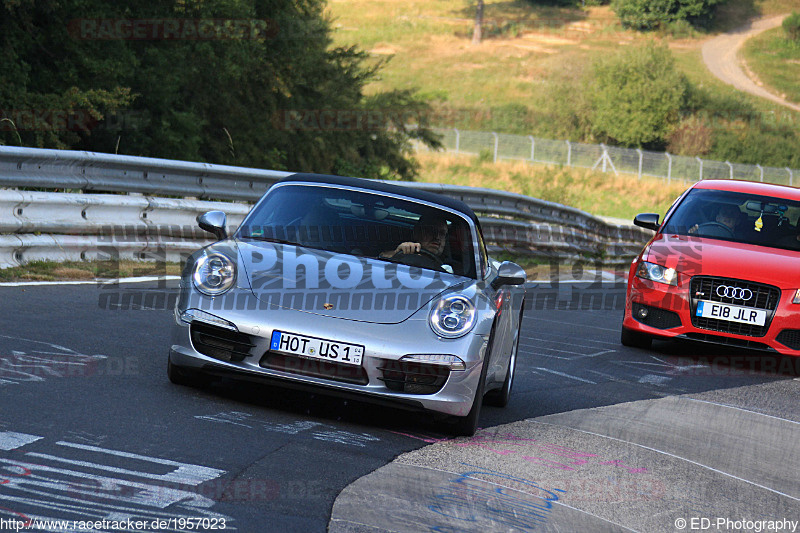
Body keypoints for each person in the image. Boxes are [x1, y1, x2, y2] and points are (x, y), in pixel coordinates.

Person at [379, 213, 449, 268]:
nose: (437, 237)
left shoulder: (455, 268)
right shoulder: (404, 254)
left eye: (442, 233)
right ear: (417, 233)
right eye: (431, 231)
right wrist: (396, 253)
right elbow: (379, 260)